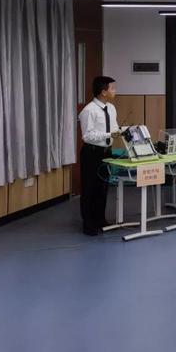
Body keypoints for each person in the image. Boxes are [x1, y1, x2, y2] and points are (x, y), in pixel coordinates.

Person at [78, 76, 120, 236]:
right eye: (112, 88)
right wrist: (109, 134)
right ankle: (88, 224)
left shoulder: (111, 108)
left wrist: (121, 132)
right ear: (103, 92)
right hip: (92, 153)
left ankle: (100, 219)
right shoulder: (89, 110)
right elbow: (87, 136)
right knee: (90, 188)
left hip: (106, 152)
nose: (115, 91)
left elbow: (114, 128)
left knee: (103, 187)